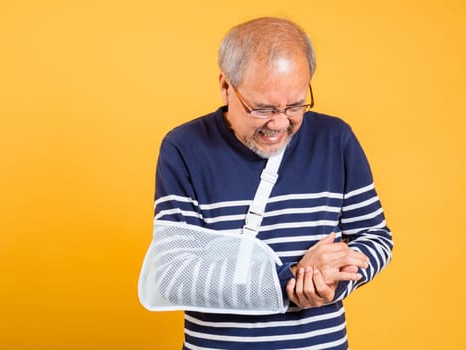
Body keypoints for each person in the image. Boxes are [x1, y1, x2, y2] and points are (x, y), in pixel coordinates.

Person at [140, 17, 393, 349]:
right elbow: (177, 275)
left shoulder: (336, 139)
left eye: (295, 105)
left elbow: (375, 237)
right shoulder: (184, 148)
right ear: (226, 87)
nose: (279, 123)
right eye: (262, 108)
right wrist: (291, 282)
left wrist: (330, 281)